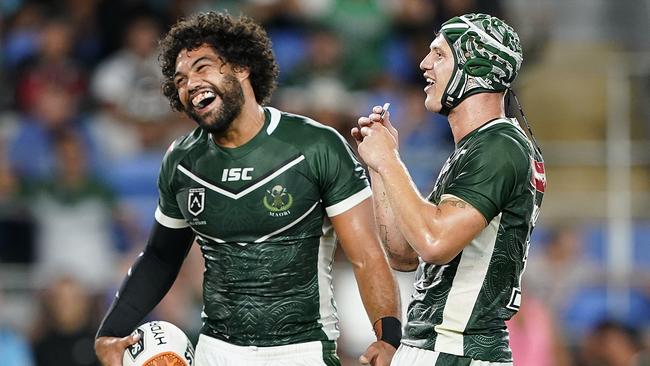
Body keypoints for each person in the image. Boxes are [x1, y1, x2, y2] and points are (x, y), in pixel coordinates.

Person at [94, 11, 401, 366]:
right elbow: (160, 258)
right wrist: (109, 332)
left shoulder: (316, 146)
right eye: (180, 79)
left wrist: (388, 336)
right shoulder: (182, 161)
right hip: (215, 351)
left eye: (202, 67)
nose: (190, 84)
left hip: (302, 351)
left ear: (241, 67)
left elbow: (367, 254)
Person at [352, 13, 546, 365]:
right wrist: (380, 167)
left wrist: (391, 162)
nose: (424, 64)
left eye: (439, 54)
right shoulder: (478, 146)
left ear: (477, 66)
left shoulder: (500, 145)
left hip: (457, 351)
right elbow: (404, 255)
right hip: (436, 347)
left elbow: (435, 242)